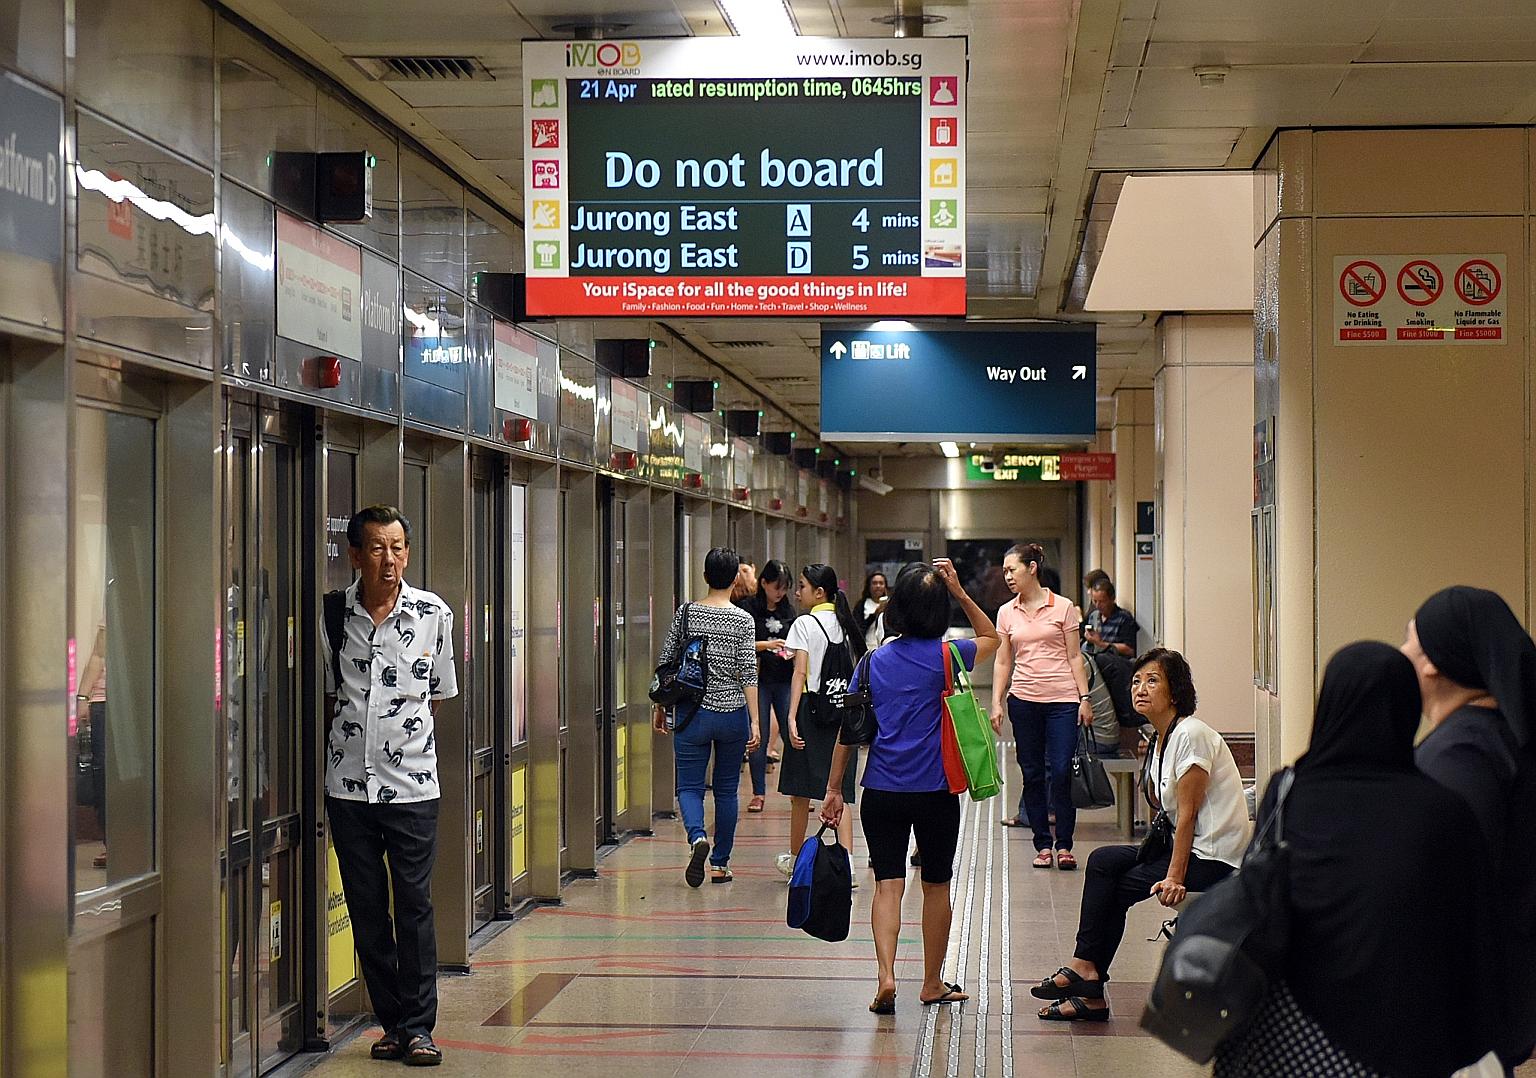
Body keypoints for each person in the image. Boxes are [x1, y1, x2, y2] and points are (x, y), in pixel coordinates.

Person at [1214, 642, 1497, 1078]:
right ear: (1406, 708)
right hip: (1407, 1034)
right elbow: (1471, 929)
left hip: (1292, 1033)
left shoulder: (1290, 793)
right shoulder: (1442, 810)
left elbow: (1255, 896)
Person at [820, 559, 1000, 1013]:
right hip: (936, 791)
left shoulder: (872, 662)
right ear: (938, 610)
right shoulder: (947, 656)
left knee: (887, 885)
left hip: (882, 789)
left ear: (896, 607)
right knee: (937, 886)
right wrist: (960, 591)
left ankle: (885, 975)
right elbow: (993, 637)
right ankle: (932, 983)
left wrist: (834, 789)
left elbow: (851, 730)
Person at [1032, 648, 1249, 1021]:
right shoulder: (1163, 738)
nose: (1140, 689)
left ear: (1176, 693)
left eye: (1152, 681)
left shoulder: (1192, 736)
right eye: (1136, 681)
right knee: (1102, 861)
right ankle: (1086, 970)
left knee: (1119, 886)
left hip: (1212, 858)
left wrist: (1174, 877)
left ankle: (1088, 981)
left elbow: (1188, 817)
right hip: (1185, 847)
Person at [322, 505, 458, 1067]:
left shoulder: (434, 614)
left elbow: (441, 695)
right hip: (348, 788)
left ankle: (420, 1026)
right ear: (355, 555)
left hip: (413, 789)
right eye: (377, 548)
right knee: (367, 909)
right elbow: (328, 690)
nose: (390, 560)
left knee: (414, 905)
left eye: (398, 547)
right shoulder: (332, 616)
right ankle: (392, 1023)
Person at [1403, 586, 1536, 1069]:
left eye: (1409, 640)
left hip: (1461, 1005)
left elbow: (1446, 883)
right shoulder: (1495, 738)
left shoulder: (1462, 755)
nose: (1402, 654)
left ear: (1433, 661)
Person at [652, 546, 761, 886]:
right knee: (727, 791)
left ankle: (698, 837)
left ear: (704, 577)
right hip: (731, 715)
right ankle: (719, 864)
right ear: (733, 580)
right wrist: (755, 721)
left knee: (689, 786)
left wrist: (661, 706)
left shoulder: (686, 613)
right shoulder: (743, 620)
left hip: (691, 713)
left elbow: (668, 661)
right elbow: (749, 673)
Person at [991, 543, 1095, 867]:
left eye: (1013, 569)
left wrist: (1084, 698)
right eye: (1005, 571)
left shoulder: (1062, 607)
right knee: (1032, 773)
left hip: (1062, 700)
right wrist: (996, 701)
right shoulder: (1007, 612)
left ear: (1032, 568)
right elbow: (1003, 660)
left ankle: (1064, 844)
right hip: (1023, 700)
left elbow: (1075, 656)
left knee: (1062, 770)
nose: (1007, 576)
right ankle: (1043, 845)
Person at [775, 564, 864, 880]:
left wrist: (790, 716)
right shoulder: (845, 623)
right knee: (841, 792)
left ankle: (798, 861)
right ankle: (849, 864)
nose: (797, 592)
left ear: (819, 592)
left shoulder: (804, 623)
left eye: (801, 586)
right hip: (843, 713)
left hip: (812, 710)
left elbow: (800, 672)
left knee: (800, 792)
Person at [738, 559, 797, 813]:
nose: (780, 593)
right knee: (758, 737)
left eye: (784, 588)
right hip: (759, 680)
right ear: (763, 583)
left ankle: (798, 790)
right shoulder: (749, 608)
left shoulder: (788, 611)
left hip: (784, 678)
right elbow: (741, 644)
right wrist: (767, 645)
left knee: (792, 732)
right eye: (776, 587)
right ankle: (758, 792)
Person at [1083, 579, 1140, 659]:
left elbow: (1130, 650)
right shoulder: (1094, 616)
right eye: (1095, 601)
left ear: (1112, 599)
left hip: (1117, 662)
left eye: (1102, 601)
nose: (1098, 605)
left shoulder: (1124, 618)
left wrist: (1101, 644)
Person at [855, 571, 890, 653]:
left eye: (881, 583)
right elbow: (858, 628)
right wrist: (874, 615)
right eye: (874, 583)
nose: (878, 586)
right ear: (869, 586)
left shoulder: (891, 604)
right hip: (868, 648)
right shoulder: (862, 605)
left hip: (886, 649)